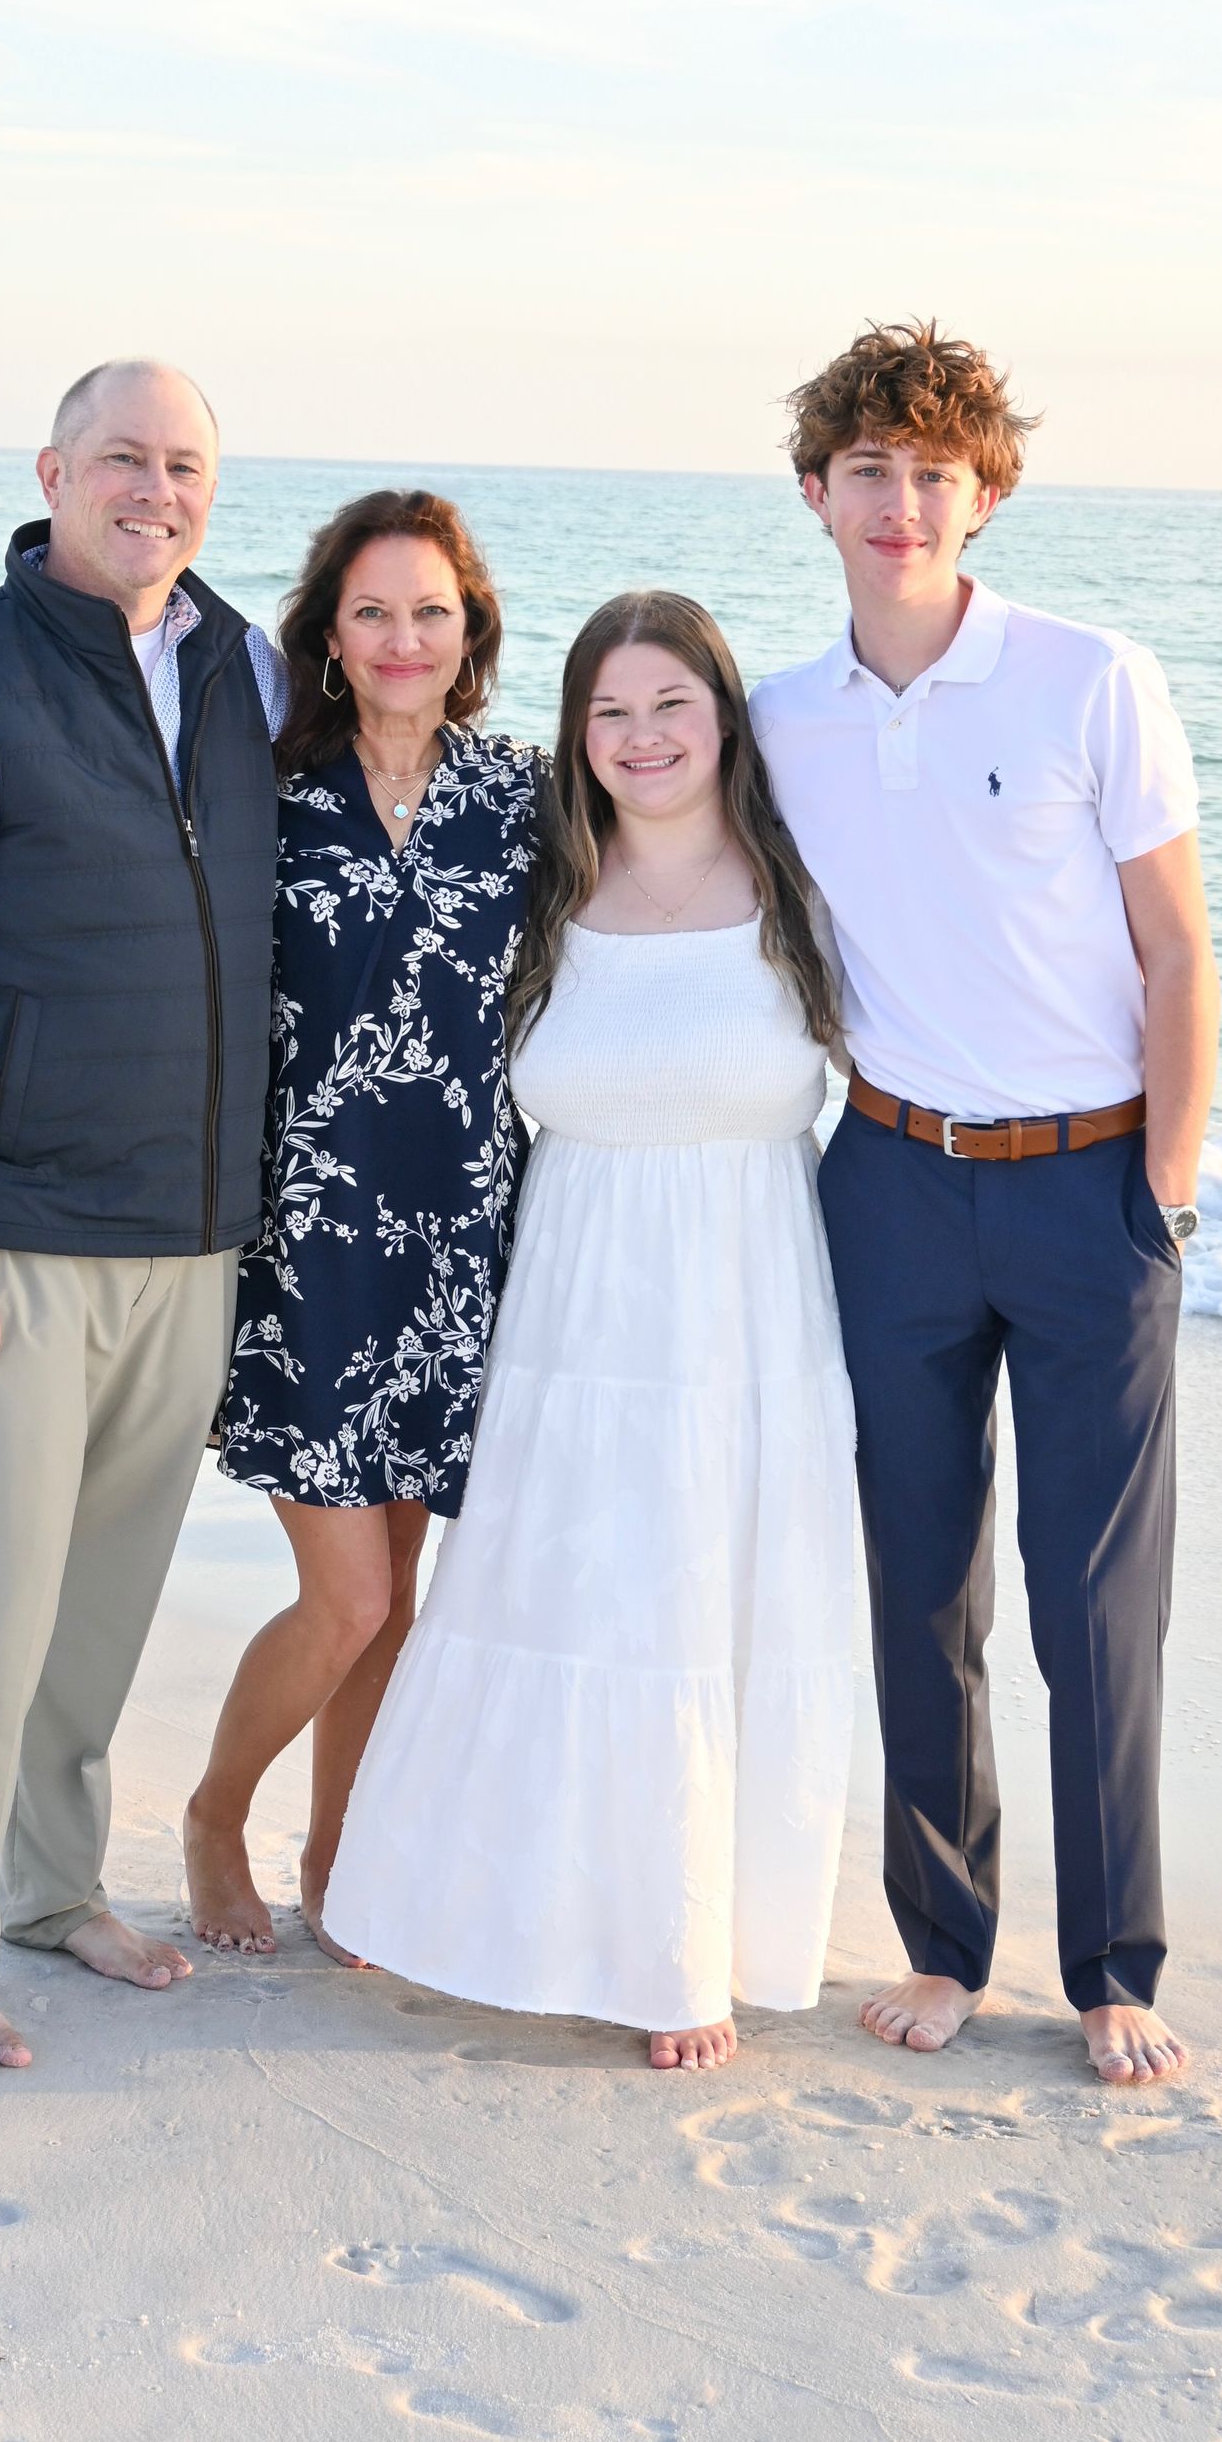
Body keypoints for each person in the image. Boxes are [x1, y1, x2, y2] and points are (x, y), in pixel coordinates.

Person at [750, 320, 1218, 2087]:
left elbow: (1180, 955)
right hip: (883, 1180)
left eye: (934, 471)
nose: (900, 501)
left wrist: (1160, 1198)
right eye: (867, 470)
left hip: (1089, 1186)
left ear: (986, 494)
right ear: (817, 494)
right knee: (918, 1588)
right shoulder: (781, 718)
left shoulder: (1092, 677)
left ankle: (1110, 1966)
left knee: (1096, 1604)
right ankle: (944, 1948)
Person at [0, 358, 284, 2074]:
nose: (152, 491)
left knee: (99, 1610)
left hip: (191, 1231)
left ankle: (48, 1888)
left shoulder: (249, 665)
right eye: (119, 459)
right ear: (51, 471)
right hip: (7, 1238)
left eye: (182, 468)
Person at [322, 592, 859, 2071]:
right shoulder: (541, 890)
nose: (641, 738)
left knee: (693, 1618)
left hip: (742, 1311)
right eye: (609, 712)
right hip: (569, 1311)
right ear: (577, 737)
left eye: (670, 705)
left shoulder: (802, 890)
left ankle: (681, 1953)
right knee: (554, 1607)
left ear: (725, 718)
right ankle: (434, 1894)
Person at [184, 491, 540, 1959]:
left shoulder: (523, 796)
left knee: (401, 1603)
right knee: (347, 1596)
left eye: (432, 612)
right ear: (330, 634)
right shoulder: (271, 791)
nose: (405, 638)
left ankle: (342, 1857)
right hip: (308, 1243)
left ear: (471, 634)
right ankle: (217, 1814)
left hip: (463, 1242)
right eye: (375, 611)